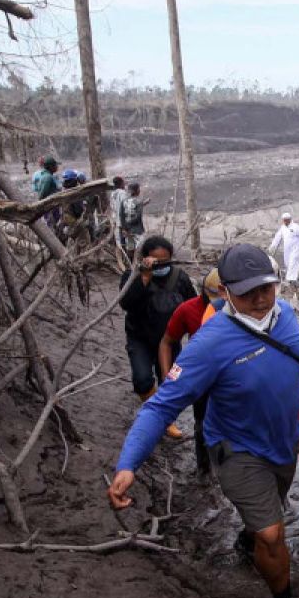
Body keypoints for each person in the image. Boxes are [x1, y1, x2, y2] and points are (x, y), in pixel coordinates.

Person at [108, 244, 299, 598]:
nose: (261, 299)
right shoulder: (209, 344)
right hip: (238, 450)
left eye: (267, 287)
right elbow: (161, 406)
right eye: (248, 292)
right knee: (272, 535)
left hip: (283, 442)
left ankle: (250, 536)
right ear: (225, 291)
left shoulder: (284, 319)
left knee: (266, 520)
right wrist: (128, 463)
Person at [119, 236, 197, 440]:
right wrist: (143, 279)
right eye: (155, 261)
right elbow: (125, 304)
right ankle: (158, 414)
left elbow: (193, 307)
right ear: (145, 258)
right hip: (140, 338)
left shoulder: (180, 278)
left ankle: (162, 420)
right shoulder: (132, 275)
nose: (160, 265)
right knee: (142, 379)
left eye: (164, 261)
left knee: (169, 383)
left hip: (171, 341)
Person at [157, 269, 224, 475]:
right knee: (202, 424)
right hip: (203, 378)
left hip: (231, 376)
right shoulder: (188, 310)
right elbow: (167, 342)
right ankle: (204, 471)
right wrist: (167, 377)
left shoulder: (238, 309)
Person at [268, 212, 299, 286]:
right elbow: (277, 237)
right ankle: (291, 279)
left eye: (286, 220)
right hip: (287, 250)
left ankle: (290, 280)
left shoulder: (296, 227)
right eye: (283, 220)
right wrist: (272, 246)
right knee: (287, 264)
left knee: (293, 263)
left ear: (289, 219)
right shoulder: (282, 228)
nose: (285, 222)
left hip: (296, 249)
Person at [59, 169, 96, 243]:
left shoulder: (63, 191)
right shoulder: (74, 194)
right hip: (74, 224)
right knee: (90, 224)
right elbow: (79, 211)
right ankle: (92, 241)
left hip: (65, 222)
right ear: (74, 180)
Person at [32, 155, 62, 231]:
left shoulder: (48, 175)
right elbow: (43, 193)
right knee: (52, 225)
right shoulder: (47, 177)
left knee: (54, 223)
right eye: (55, 165)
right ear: (50, 167)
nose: (57, 167)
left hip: (52, 206)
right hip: (50, 207)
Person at [120, 182, 148, 259]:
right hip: (137, 229)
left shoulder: (123, 201)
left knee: (130, 248)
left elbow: (121, 215)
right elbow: (138, 217)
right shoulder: (139, 201)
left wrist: (124, 227)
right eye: (139, 189)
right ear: (136, 190)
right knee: (140, 247)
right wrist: (130, 224)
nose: (140, 190)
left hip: (127, 230)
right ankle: (139, 264)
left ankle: (130, 264)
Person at [109, 176, 129, 255]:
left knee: (120, 241)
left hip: (116, 221)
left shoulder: (113, 194)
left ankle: (122, 257)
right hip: (123, 221)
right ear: (121, 184)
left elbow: (112, 207)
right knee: (126, 242)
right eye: (124, 183)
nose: (125, 184)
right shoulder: (122, 193)